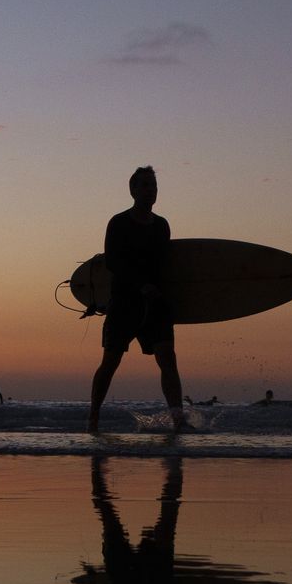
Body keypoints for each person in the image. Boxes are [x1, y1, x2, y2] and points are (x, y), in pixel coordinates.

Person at [88, 166, 187, 432]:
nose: (150, 190)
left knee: (168, 358)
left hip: (156, 302)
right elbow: (113, 263)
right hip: (124, 302)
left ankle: (178, 420)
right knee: (110, 361)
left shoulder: (162, 226)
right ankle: (93, 417)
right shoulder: (118, 223)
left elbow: (167, 265)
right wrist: (139, 286)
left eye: (153, 186)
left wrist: (164, 294)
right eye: (144, 185)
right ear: (132, 190)